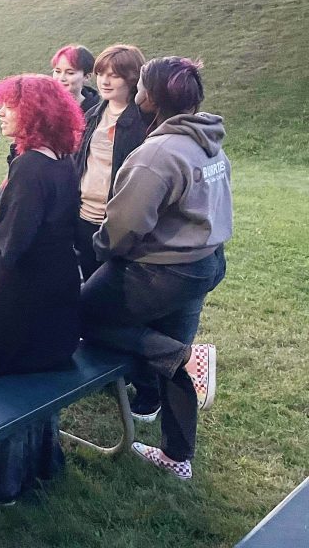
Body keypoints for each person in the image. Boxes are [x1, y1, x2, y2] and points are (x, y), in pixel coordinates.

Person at [80, 57, 230, 480]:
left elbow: (125, 226)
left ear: (151, 96)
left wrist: (100, 247)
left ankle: (182, 356)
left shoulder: (158, 153)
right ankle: (177, 454)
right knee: (177, 361)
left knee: (80, 315)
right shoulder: (208, 140)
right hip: (203, 263)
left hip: (157, 271)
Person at [0, 74, 84, 509]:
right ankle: (43, 462)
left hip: (28, 293)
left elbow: (18, 240)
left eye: (9, 106)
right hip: (58, 285)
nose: (1, 112)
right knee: (36, 374)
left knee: (5, 378)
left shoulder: (30, 166)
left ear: (34, 114)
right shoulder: (59, 158)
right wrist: (3, 212)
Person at [74, 44, 150, 281]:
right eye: (100, 74)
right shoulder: (92, 115)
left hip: (115, 224)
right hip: (84, 217)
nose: (104, 81)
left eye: (113, 75)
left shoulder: (143, 123)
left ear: (131, 78)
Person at [51, 44, 99, 112]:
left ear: (87, 76)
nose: (61, 78)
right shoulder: (43, 104)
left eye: (70, 73)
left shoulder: (97, 113)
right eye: (57, 71)